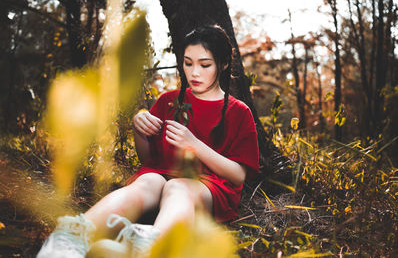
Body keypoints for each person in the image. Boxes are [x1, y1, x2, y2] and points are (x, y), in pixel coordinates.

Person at [37, 24, 259, 258]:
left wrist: (194, 145)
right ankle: (70, 238)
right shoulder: (168, 100)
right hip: (160, 176)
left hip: (208, 187)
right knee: (148, 181)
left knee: (178, 187)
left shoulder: (238, 111)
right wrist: (139, 129)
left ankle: (151, 250)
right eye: (187, 62)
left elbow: (238, 175)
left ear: (223, 64)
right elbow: (149, 159)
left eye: (205, 65)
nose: (194, 73)